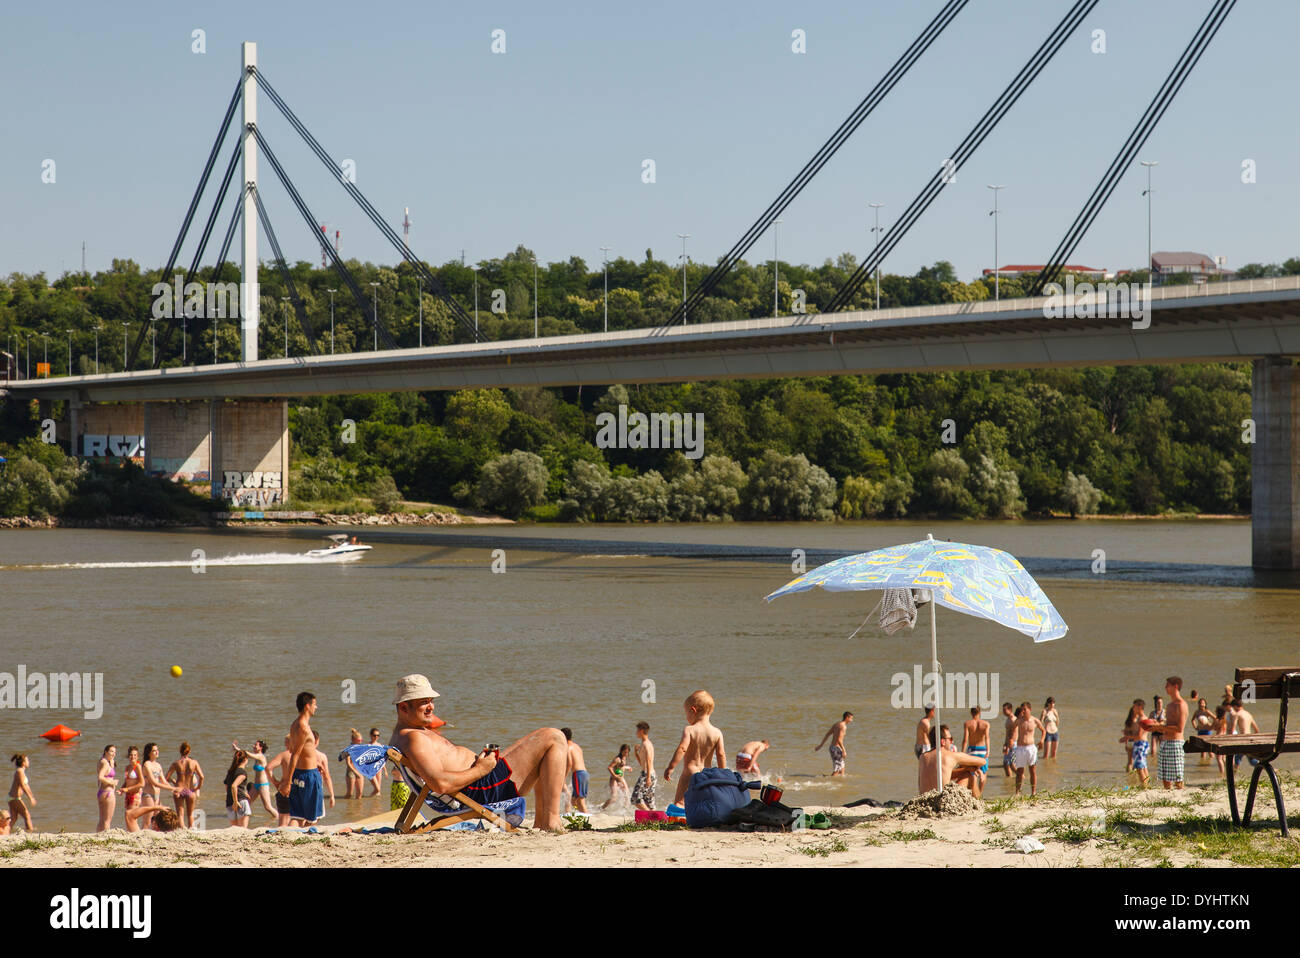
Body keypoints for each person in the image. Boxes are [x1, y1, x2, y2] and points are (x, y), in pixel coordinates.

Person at [388, 674, 568, 831]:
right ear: (404, 708)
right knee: (554, 737)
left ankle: (543, 820)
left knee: (543, 736)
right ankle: (551, 820)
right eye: (423, 702)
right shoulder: (413, 738)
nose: (431, 707)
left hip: (481, 782)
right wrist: (482, 769)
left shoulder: (411, 733)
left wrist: (483, 765)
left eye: (431, 701)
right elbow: (440, 784)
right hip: (483, 789)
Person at [664, 690, 726, 807]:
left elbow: (682, 748)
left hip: (690, 772)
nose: (686, 717)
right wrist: (723, 774)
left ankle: (679, 819)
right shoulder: (717, 733)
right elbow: (721, 754)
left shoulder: (690, 730)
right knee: (702, 802)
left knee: (680, 802)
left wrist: (671, 767)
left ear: (693, 710)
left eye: (686, 713)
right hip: (707, 774)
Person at [278, 691, 323, 826]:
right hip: (309, 776)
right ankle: (307, 841)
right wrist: (287, 781)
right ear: (307, 706)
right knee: (313, 817)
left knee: (297, 816)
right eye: (314, 704)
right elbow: (295, 754)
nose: (316, 707)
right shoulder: (303, 727)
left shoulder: (295, 724)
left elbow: (294, 751)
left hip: (299, 773)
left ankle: (292, 838)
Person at [918, 727, 987, 797]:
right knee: (968, 775)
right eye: (950, 739)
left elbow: (941, 775)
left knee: (966, 771)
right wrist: (969, 768)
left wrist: (965, 768)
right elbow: (983, 761)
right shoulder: (950, 756)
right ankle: (978, 803)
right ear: (943, 741)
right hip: (942, 799)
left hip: (924, 799)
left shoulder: (923, 757)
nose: (952, 742)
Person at [1153, 677, 1187, 789]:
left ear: (1175, 686)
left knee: (1178, 778)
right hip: (1165, 742)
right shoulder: (1169, 705)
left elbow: (1179, 728)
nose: (1165, 687)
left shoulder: (1181, 704)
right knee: (1165, 778)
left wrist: (1160, 726)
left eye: (1168, 685)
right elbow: (1167, 726)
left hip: (1176, 743)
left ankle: (1180, 798)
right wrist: (1155, 727)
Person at [1008, 702, 1044, 796]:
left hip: (1031, 748)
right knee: (1020, 771)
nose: (1023, 711)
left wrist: (1042, 741)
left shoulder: (1035, 720)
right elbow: (1012, 729)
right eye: (1022, 709)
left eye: (1025, 709)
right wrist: (1011, 739)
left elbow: (1043, 730)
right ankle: (1017, 793)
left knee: (1032, 770)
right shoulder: (1019, 720)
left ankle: (1033, 792)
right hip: (1020, 748)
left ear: (1029, 709)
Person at [233, 739, 275, 816]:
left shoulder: (261, 757)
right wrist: (237, 749)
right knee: (246, 803)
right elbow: (246, 755)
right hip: (256, 786)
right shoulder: (256, 757)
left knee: (268, 807)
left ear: (261, 748)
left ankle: (279, 818)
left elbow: (248, 754)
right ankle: (241, 818)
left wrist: (238, 749)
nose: (253, 746)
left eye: (256, 745)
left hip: (263, 785)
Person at [167, 742, 204, 829]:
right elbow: (202, 777)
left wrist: (174, 782)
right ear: (189, 752)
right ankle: (191, 827)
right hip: (190, 790)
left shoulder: (176, 763)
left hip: (178, 789)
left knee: (180, 813)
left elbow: (166, 778)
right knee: (190, 813)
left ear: (180, 751)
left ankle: (182, 828)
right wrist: (197, 788)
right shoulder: (194, 763)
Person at [1120, 700, 1150, 788]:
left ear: (1139, 707)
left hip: (1141, 743)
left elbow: (1139, 735)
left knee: (1139, 766)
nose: (1133, 708)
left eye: (1135, 706)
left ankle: (1144, 786)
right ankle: (1147, 785)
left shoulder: (1142, 719)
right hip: (1140, 743)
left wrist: (1127, 737)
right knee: (1143, 766)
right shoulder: (1141, 718)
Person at [265, 735, 294, 827]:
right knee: (297, 818)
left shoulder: (283, 755)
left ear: (286, 743)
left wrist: (275, 782)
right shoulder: (301, 755)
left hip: (284, 788)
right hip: (297, 788)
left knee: (283, 819)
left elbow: (268, 768)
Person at [815, 711, 853, 776]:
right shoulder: (843, 726)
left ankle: (840, 783)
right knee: (837, 770)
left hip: (832, 748)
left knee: (842, 769)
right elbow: (839, 740)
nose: (851, 720)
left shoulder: (836, 724)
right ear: (847, 718)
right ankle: (830, 782)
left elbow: (827, 734)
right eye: (851, 718)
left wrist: (821, 745)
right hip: (836, 749)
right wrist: (844, 750)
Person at [1227, 697, 1261, 770]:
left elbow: (1232, 729)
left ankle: (1232, 778)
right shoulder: (1248, 714)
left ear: (1235, 706)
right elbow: (1256, 730)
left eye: (1233, 707)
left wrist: (1228, 739)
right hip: (1250, 739)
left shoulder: (1237, 714)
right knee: (1252, 761)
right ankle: (1271, 769)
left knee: (1237, 759)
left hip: (1243, 740)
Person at [311, 730, 337, 822]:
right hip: (317, 787)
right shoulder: (321, 756)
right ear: (317, 741)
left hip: (302, 785)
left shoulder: (300, 754)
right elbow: (327, 777)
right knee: (316, 817)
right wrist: (332, 795)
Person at [561, 728, 589, 813]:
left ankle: (586, 816)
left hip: (578, 774)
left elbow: (569, 763)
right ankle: (580, 814)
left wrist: (564, 777)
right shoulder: (577, 746)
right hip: (585, 773)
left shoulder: (568, 747)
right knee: (574, 801)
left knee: (579, 800)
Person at [139, 743, 175, 809]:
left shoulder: (158, 765)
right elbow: (154, 783)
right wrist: (173, 788)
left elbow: (164, 781)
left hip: (157, 796)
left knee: (157, 818)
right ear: (149, 753)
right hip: (148, 795)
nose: (157, 752)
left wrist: (174, 790)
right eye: (154, 750)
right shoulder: (147, 764)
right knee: (148, 819)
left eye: (157, 750)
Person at [631, 721, 656, 811]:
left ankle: (651, 816)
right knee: (648, 801)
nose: (636, 732)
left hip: (647, 774)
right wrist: (636, 753)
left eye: (637, 730)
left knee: (635, 798)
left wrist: (648, 778)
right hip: (648, 774)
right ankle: (655, 819)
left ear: (641, 731)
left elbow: (649, 762)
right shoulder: (644, 744)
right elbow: (643, 763)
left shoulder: (646, 744)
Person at [599, 745, 632, 811]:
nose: (626, 754)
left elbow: (621, 767)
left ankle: (624, 810)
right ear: (621, 751)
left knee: (627, 795)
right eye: (625, 752)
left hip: (621, 779)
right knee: (614, 798)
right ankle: (602, 808)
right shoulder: (617, 759)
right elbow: (609, 767)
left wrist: (628, 767)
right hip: (614, 779)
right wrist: (614, 775)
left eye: (627, 752)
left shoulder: (624, 758)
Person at [225, 750, 252, 828]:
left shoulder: (231, 772)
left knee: (234, 829)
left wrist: (244, 792)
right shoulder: (242, 772)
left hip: (229, 802)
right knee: (243, 829)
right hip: (240, 802)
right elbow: (234, 786)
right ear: (245, 760)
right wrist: (236, 801)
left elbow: (227, 786)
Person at [8, 754, 35, 832]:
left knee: (14, 818)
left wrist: (32, 795)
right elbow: (22, 785)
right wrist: (30, 798)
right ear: (23, 763)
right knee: (27, 815)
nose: (28, 762)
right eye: (27, 760)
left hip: (12, 797)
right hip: (15, 798)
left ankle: (4, 832)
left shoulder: (21, 771)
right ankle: (30, 832)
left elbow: (26, 785)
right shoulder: (19, 772)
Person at [961, 707, 990, 774]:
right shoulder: (986, 724)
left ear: (971, 713)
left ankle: (974, 784)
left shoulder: (967, 724)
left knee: (972, 773)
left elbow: (965, 740)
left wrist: (962, 752)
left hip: (972, 749)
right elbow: (987, 738)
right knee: (984, 773)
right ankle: (981, 784)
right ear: (980, 713)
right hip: (982, 749)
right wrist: (988, 750)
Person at [96, 745, 118, 832]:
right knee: (107, 820)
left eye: (115, 752)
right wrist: (112, 782)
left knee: (102, 820)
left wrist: (111, 764)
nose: (113, 754)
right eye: (111, 751)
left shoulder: (101, 761)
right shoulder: (105, 763)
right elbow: (100, 777)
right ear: (106, 752)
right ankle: (106, 837)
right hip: (108, 793)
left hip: (101, 792)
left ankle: (98, 836)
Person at [120, 746, 144, 815]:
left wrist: (127, 789)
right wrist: (122, 789)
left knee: (131, 816)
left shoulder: (138, 767)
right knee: (127, 815)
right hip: (128, 795)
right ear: (128, 756)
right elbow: (126, 782)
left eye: (135, 755)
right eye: (131, 755)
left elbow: (142, 783)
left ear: (138, 756)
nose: (133, 757)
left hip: (135, 795)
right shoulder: (127, 767)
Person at [342, 728, 365, 799]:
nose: (360, 742)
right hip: (351, 772)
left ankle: (357, 809)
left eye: (361, 740)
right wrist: (356, 772)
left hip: (359, 771)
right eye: (358, 740)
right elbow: (348, 763)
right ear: (353, 740)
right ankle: (347, 807)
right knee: (350, 794)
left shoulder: (361, 749)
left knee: (360, 794)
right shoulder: (349, 749)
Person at [1190, 698, 1215, 765]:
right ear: (1198, 704)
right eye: (1200, 702)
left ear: (1205, 704)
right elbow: (1192, 720)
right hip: (1200, 731)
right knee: (1202, 750)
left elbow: (1215, 718)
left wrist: (1211, 726)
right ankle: (1202, 765)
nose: (1201, 704)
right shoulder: (1197, 712)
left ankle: (1212, 764)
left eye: (1203, 703)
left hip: (1207, 731)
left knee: (1209, 749)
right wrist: (1195, 727)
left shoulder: (1207, 712)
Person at [1000, 702, 1016, 777]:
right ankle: (1010, 780)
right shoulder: (1008, 719)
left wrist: (1008, 746)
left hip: (1012, 744)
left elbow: (1013, 734)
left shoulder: (1013, 720)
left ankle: (1021, 777)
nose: (1003, 712)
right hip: (1008, 743)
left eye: (1004, 710)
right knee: (1006, 764)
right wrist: (1005, 744)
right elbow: (1007, 734)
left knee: (1012, 765)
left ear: (1010, 710)